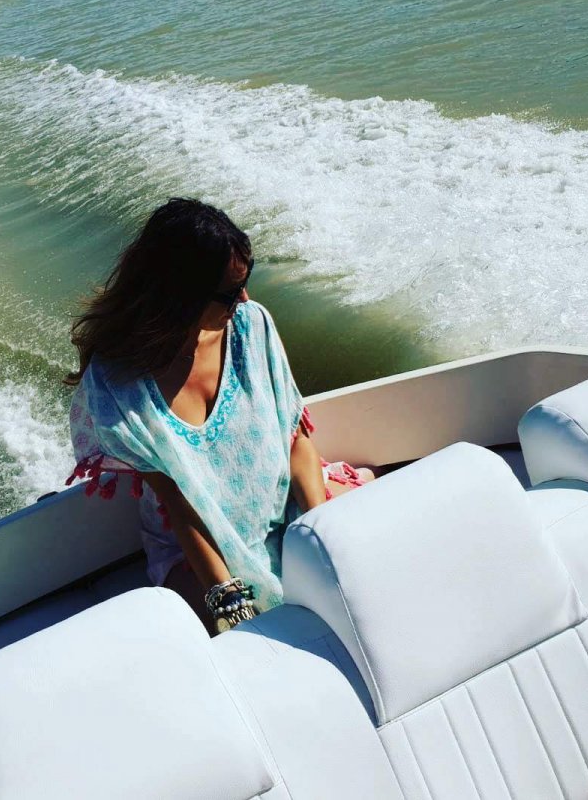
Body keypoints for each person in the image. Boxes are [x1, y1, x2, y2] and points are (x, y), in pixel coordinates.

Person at [65, 198, 374, 633]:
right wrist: (227, 596)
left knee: (372, 555)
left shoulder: (251, 325)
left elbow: (296, 439)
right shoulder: (117, 384)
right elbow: (177, 505)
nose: (244, 298)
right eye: (230, 292)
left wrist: (317, 530)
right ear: (179, 293)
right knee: (254, 636)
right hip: (198, 549)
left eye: (245, 282)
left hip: (287, 507)